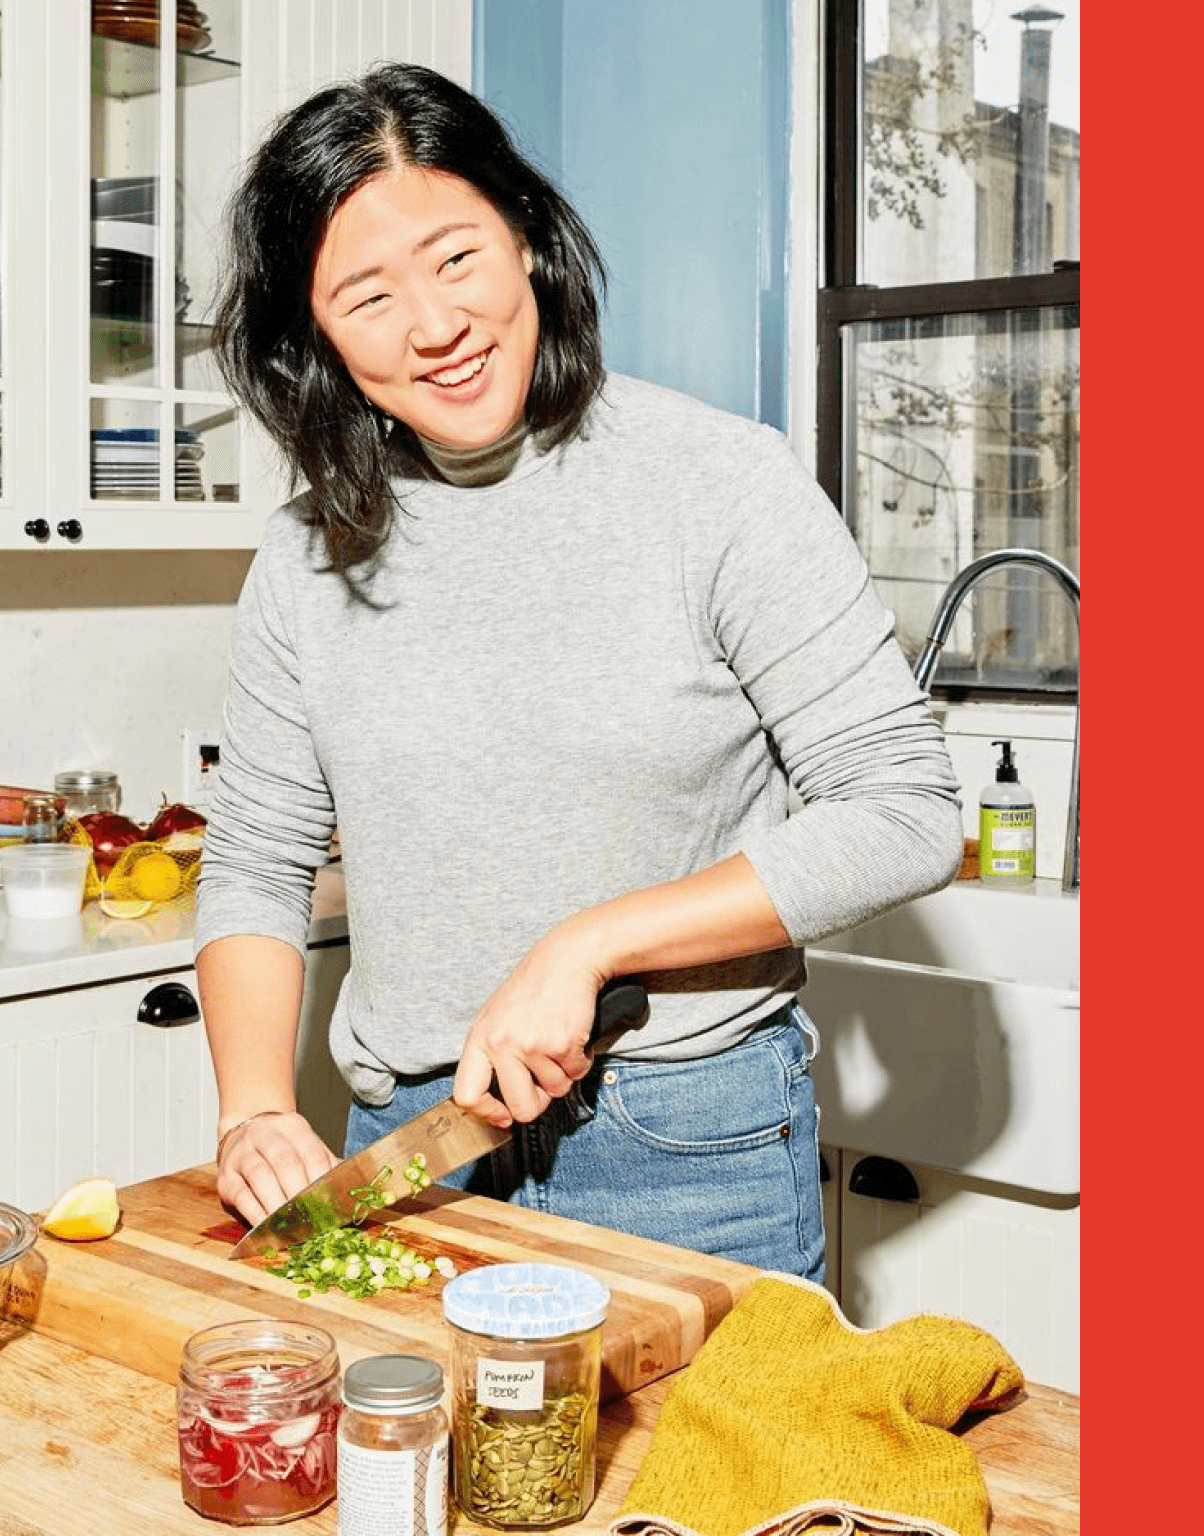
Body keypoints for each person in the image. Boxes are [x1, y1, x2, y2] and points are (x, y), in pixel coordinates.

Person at [196, 64, 961, 1281]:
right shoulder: (304, 557)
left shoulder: (722, 486)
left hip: (686, 1147)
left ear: (529, 242)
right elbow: (253, 861)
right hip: (408, 1141)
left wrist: (590, 945)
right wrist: (251, 1106)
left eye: (457, 259)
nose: (435, 326)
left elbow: (906, 813)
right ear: (316, 335)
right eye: (366, 295)